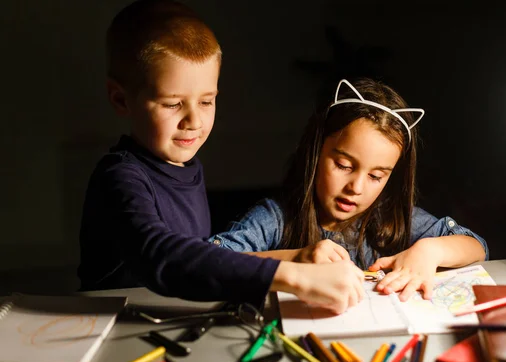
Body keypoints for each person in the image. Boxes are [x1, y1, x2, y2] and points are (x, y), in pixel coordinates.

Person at [78, 0, 364, 314]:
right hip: (114, 334)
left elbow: (198, 258)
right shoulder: (120, 177)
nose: (194, 121)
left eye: (206, 101)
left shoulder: (185, 167)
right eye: (173, 104)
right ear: (121, 99)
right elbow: (162, 256)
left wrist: (297, 257)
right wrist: (293, 276)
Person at [210, 77, 488, 301]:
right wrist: (295, 258)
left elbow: (477, 246)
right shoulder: (276, 218)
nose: (356, 187)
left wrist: (431, 250)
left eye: (376, 176)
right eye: (343, 165)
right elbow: (206, 263)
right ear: (315, 152)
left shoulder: (389, 218)